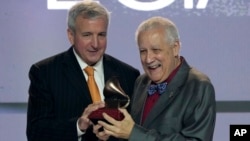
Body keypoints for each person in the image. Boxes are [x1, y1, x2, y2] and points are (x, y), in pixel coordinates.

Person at [26, 1, 140, 141]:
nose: (95, 44)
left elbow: (136, 130)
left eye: (101, 35)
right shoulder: (45, 73)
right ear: (71, 35)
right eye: (87, 35)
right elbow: (35, 132)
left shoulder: (128, 74)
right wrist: (78, 126)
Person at [94, 16, 216, 141]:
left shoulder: (199, 86)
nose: (148, 59)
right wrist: (113, 132)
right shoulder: (141, 82)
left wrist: (133, 133)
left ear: (175, 48)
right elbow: (133, 134)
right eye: (143, 51)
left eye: (156, 50)